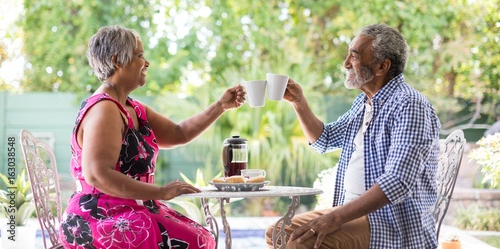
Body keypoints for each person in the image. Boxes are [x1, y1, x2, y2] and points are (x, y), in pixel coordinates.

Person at [59, 25, 246, 249]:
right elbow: (97, 175)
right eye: (139, 55)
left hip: (132, 209)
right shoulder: (104, 109)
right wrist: (161, 192)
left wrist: (221, 106)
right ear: (118, 60)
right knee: (195, 241)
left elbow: (179, 133)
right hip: (100, 217)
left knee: (202, 236)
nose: (146, 63)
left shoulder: (133, 108)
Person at [266, 23, 441, 249]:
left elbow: (397, 182)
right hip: (353, 214)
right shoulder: (364, 103)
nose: (346, 63)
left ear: (382, 66)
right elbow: (325, 139)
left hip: (392, 223)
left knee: (302, 243)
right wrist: (298, 102)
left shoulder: (409, 105)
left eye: (354, 56)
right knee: (277, 233)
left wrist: (334, 218)